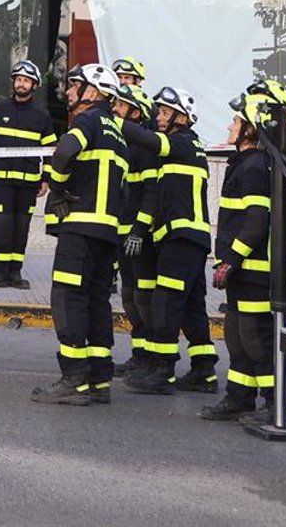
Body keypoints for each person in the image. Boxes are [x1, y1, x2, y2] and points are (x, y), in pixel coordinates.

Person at [34, 62, 129, 405]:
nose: (70, 92)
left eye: (76, 86)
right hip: (108, 232)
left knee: (67, 296)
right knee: (96, 300)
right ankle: (99, 378)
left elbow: (63, 152)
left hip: (81, 226)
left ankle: (74, 377)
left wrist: (57, 188)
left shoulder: (88, 121)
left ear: (94, 92)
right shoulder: (118, 133)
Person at [201, 79, 286, 420]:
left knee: (255, 336)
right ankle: (239, 397)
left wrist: (231, 261)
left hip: (254, 270)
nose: (229, 126)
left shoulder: (254, 168)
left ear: (251, 129)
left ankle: (278, 402)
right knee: (237, 333)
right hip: (243, 269)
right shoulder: (248, 164)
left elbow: (256, 222)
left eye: (235, 122)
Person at [126, 86, 216, 394]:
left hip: (183, 239)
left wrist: (115, 119)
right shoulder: (179, 147)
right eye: (159, 111)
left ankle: (162, 370)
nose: (159, 116)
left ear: (182, 117)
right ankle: (204, 370)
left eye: (165, 112)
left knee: (165, 301)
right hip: (183, 240)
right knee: (191, 306)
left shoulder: (183, 143)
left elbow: (150, 140)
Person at [0, 59, 55, 290]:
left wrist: (46, 179)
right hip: (1, 182)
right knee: (2, 224)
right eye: (18, 79)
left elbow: (50, 151)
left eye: (26, 80)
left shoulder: (42, 116)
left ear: (34, 85)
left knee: (21, 227)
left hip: (29, 184)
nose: (21, 84)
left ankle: (15, 272)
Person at [110, 73, 160, 379]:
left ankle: (153, 357)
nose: (115, 109)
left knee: (144, 298)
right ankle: (139, 354)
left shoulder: (146, 150)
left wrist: (139, 231)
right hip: (119, 233)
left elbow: (151, 195)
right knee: (129, 297)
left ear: (136, 113)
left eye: (122, 105)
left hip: (139, 238)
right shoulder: (120, 144)